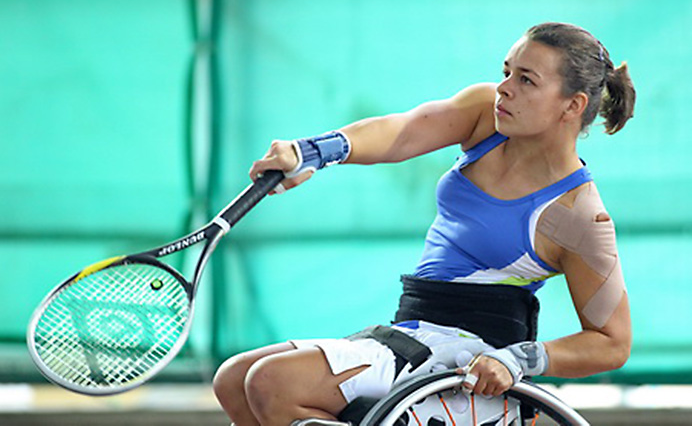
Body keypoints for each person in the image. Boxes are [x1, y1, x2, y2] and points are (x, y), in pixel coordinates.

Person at [212, 22, 635, 426]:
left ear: (573, 105)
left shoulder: (580, 217)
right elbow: (402, 131)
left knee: (271, 383)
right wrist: (310, 152)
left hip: (469, 365)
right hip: (413, 332)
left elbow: (611, 342)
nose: (505, 87)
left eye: (527, 80)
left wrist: (519, 359)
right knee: (233, 380)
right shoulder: (486, 116)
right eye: (506, 72)